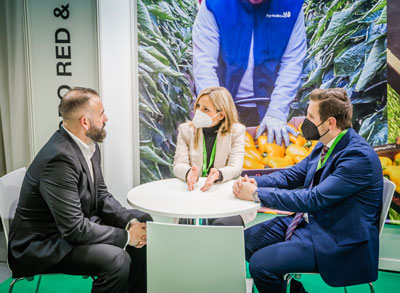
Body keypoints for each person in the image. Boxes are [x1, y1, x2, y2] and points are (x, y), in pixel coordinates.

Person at [233, 88, 383, 292]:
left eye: (311, 116)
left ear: (330, 122)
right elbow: (292, 175)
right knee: (245, 242)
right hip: (312, 222)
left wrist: (255, 194)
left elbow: (313, 199)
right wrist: (251, 182)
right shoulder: (326, 144)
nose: (306, 121)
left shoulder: (357, 157)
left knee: (261, 264)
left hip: (338, 237)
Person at [8, 87, 152, 293]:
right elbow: (74, 229)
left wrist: (130, 223)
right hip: (45, 244)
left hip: (71, 229)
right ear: (85, 122)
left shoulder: (88, 145)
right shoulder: (58, 159)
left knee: (144, 221)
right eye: (101, 114)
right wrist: (127, 236)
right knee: (117, 260)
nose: (106, 118)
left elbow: (101, 195)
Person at [193, 0, 307, 146]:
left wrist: (277, 112)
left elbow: (292, 63)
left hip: (272, 103)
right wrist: (215, 112)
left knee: (271, 156)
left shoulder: (290, 6)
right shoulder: (215, 5)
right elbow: (205, 64)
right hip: (224, 102)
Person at [173, 86, 255, 225]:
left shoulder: (236, 131)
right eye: (198, 106)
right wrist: (188, 173)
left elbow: (235, 167)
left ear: (221, 114)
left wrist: (219, 174)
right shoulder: (186, 130)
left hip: (225, 194)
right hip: (194, 193)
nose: (199, 112)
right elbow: (178, 164)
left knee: (221, 225)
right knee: (186, 224)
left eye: (206, 109)